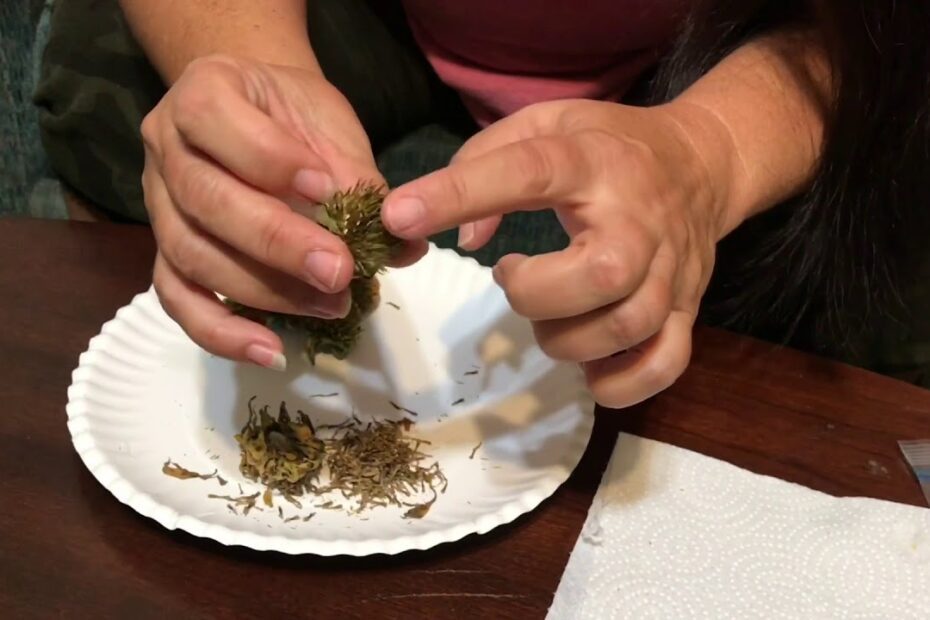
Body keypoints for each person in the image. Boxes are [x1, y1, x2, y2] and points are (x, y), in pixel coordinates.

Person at [34, 1, 930, 407]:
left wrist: (713, 153)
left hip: (751, 39)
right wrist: (250, 62)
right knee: (106, 65)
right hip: (394, 18)